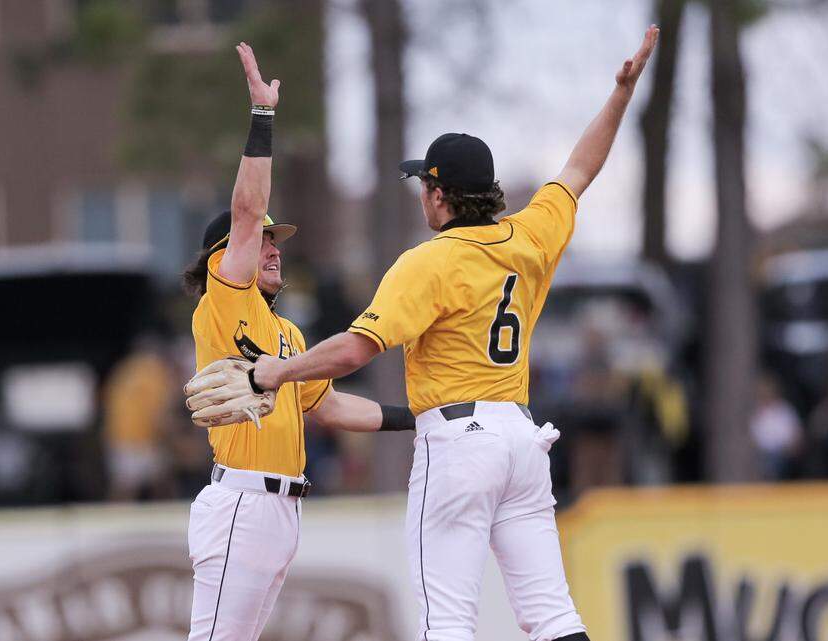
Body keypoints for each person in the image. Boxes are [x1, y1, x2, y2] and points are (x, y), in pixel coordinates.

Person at [223, 27, 660, 641]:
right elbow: (580, 168)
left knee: (447, 622)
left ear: (440, 195)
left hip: (459, 444)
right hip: (520, 437)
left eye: (424, 185)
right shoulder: (531, 236)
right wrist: (621, 93)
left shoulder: (428, 261)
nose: (421, 196)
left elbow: (354, 348)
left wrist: (273, 370)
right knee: (552, 615)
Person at [181, 42, 414, 641]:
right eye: (263, 240)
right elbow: (245, 208)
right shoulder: (224, 300)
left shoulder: (286, 334)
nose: (274, 245)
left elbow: (329, 405)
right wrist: (263, 118)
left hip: (281, 509)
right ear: (226, 256)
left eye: (275, 239)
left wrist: (417, 416)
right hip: (240, 502)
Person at [103, 335, 174, 501]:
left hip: (118, 435)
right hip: (143, 437)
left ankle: (116, 520)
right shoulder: (154, 372)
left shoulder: (123, 369)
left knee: (127, 484)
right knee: (157, 482)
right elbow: (159, 412)